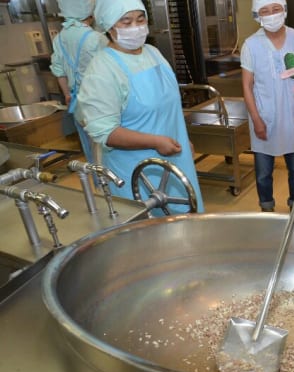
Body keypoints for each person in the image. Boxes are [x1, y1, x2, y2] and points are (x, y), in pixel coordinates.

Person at [75, 0, 204, 214]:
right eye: (126, 22)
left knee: (186, 221)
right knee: (154, 228)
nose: (135, 27)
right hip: (137, 171)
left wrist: (182, 136)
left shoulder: (152, 53)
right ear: (108, 26)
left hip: (174, 158)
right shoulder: (102, 70)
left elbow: (168, 106)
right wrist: (155, 142)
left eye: (140, 19)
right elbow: (105, 132)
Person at [241, 0, 294, 212]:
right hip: (264, 116)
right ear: (257, 15)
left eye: (276, 9)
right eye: (265, 11)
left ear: (284, 10)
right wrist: (256, 119)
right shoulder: (251, 45)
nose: (271, 14)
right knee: (263, 173)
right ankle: (267, 208)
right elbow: (247, 85)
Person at [50, 0, 108, 163]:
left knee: (90, 148)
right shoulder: (96, 38)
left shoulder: (59, 39)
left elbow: (59, 71)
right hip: (100, 101)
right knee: (107, 149)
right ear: (89, 12)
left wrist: (67, 95)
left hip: (77, 103)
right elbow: (111, 70)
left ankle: (96, 177)